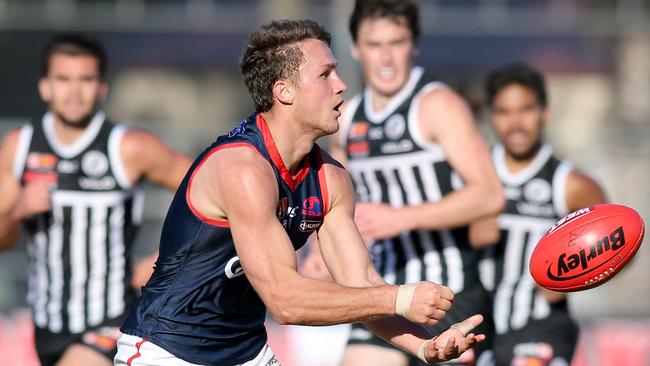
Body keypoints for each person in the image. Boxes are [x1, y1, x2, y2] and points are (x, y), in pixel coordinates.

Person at [116, 19, 487, 366]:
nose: (342, 84)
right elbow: (285, 301)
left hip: (245, 351)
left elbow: (361, 284)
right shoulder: (243, 170)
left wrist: (423, 345)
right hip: (167, 348)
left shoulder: (330, 177)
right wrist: (400, 298)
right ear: (284, 91)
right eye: (325, 74)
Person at [300, 1, 504, 365]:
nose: (387, 57)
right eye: (375, 45)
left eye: (397, 43)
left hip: (448, 292)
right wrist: (319, 253)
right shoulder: (346, 119)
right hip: (384, 293)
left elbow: (489, 195)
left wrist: (403, 217)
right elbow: (336, 200)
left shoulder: (437, 104)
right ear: (356, 49)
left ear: (414, 46)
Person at [0, 34, 192, 366]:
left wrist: (165, 260)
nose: (74, 92)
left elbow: (211, 189)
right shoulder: (20, 147)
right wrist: (18, 210)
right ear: (45, 87)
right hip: (47, 325)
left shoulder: (128, 147)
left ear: (102, 88)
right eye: (63, 79)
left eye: (85, 79)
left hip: (112, 319)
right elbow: (3, 240)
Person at [478, 63, 607, 365]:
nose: (515, 123)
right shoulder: (476, 175)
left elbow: (618, 245)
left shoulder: (571, 184)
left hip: (541, 326)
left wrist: (577, 277)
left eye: (525, 110)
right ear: (491, 117)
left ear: (544, 113)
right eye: (503, 112)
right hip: (480, 325)